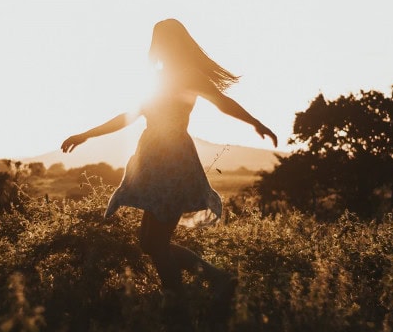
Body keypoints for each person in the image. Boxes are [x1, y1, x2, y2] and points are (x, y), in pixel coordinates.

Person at [61, 18, 277, 304]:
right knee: (148, 243)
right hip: (153, 162)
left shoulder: (189, 75)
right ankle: (216, 279)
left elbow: (222, 103)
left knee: (157, 243)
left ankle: (181, 303)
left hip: (173, 162)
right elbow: (128, 115)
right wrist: (87, 134)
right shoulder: (158, 78)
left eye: (163, 41)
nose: (158, 47)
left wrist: (255, 122)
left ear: (175, 43)